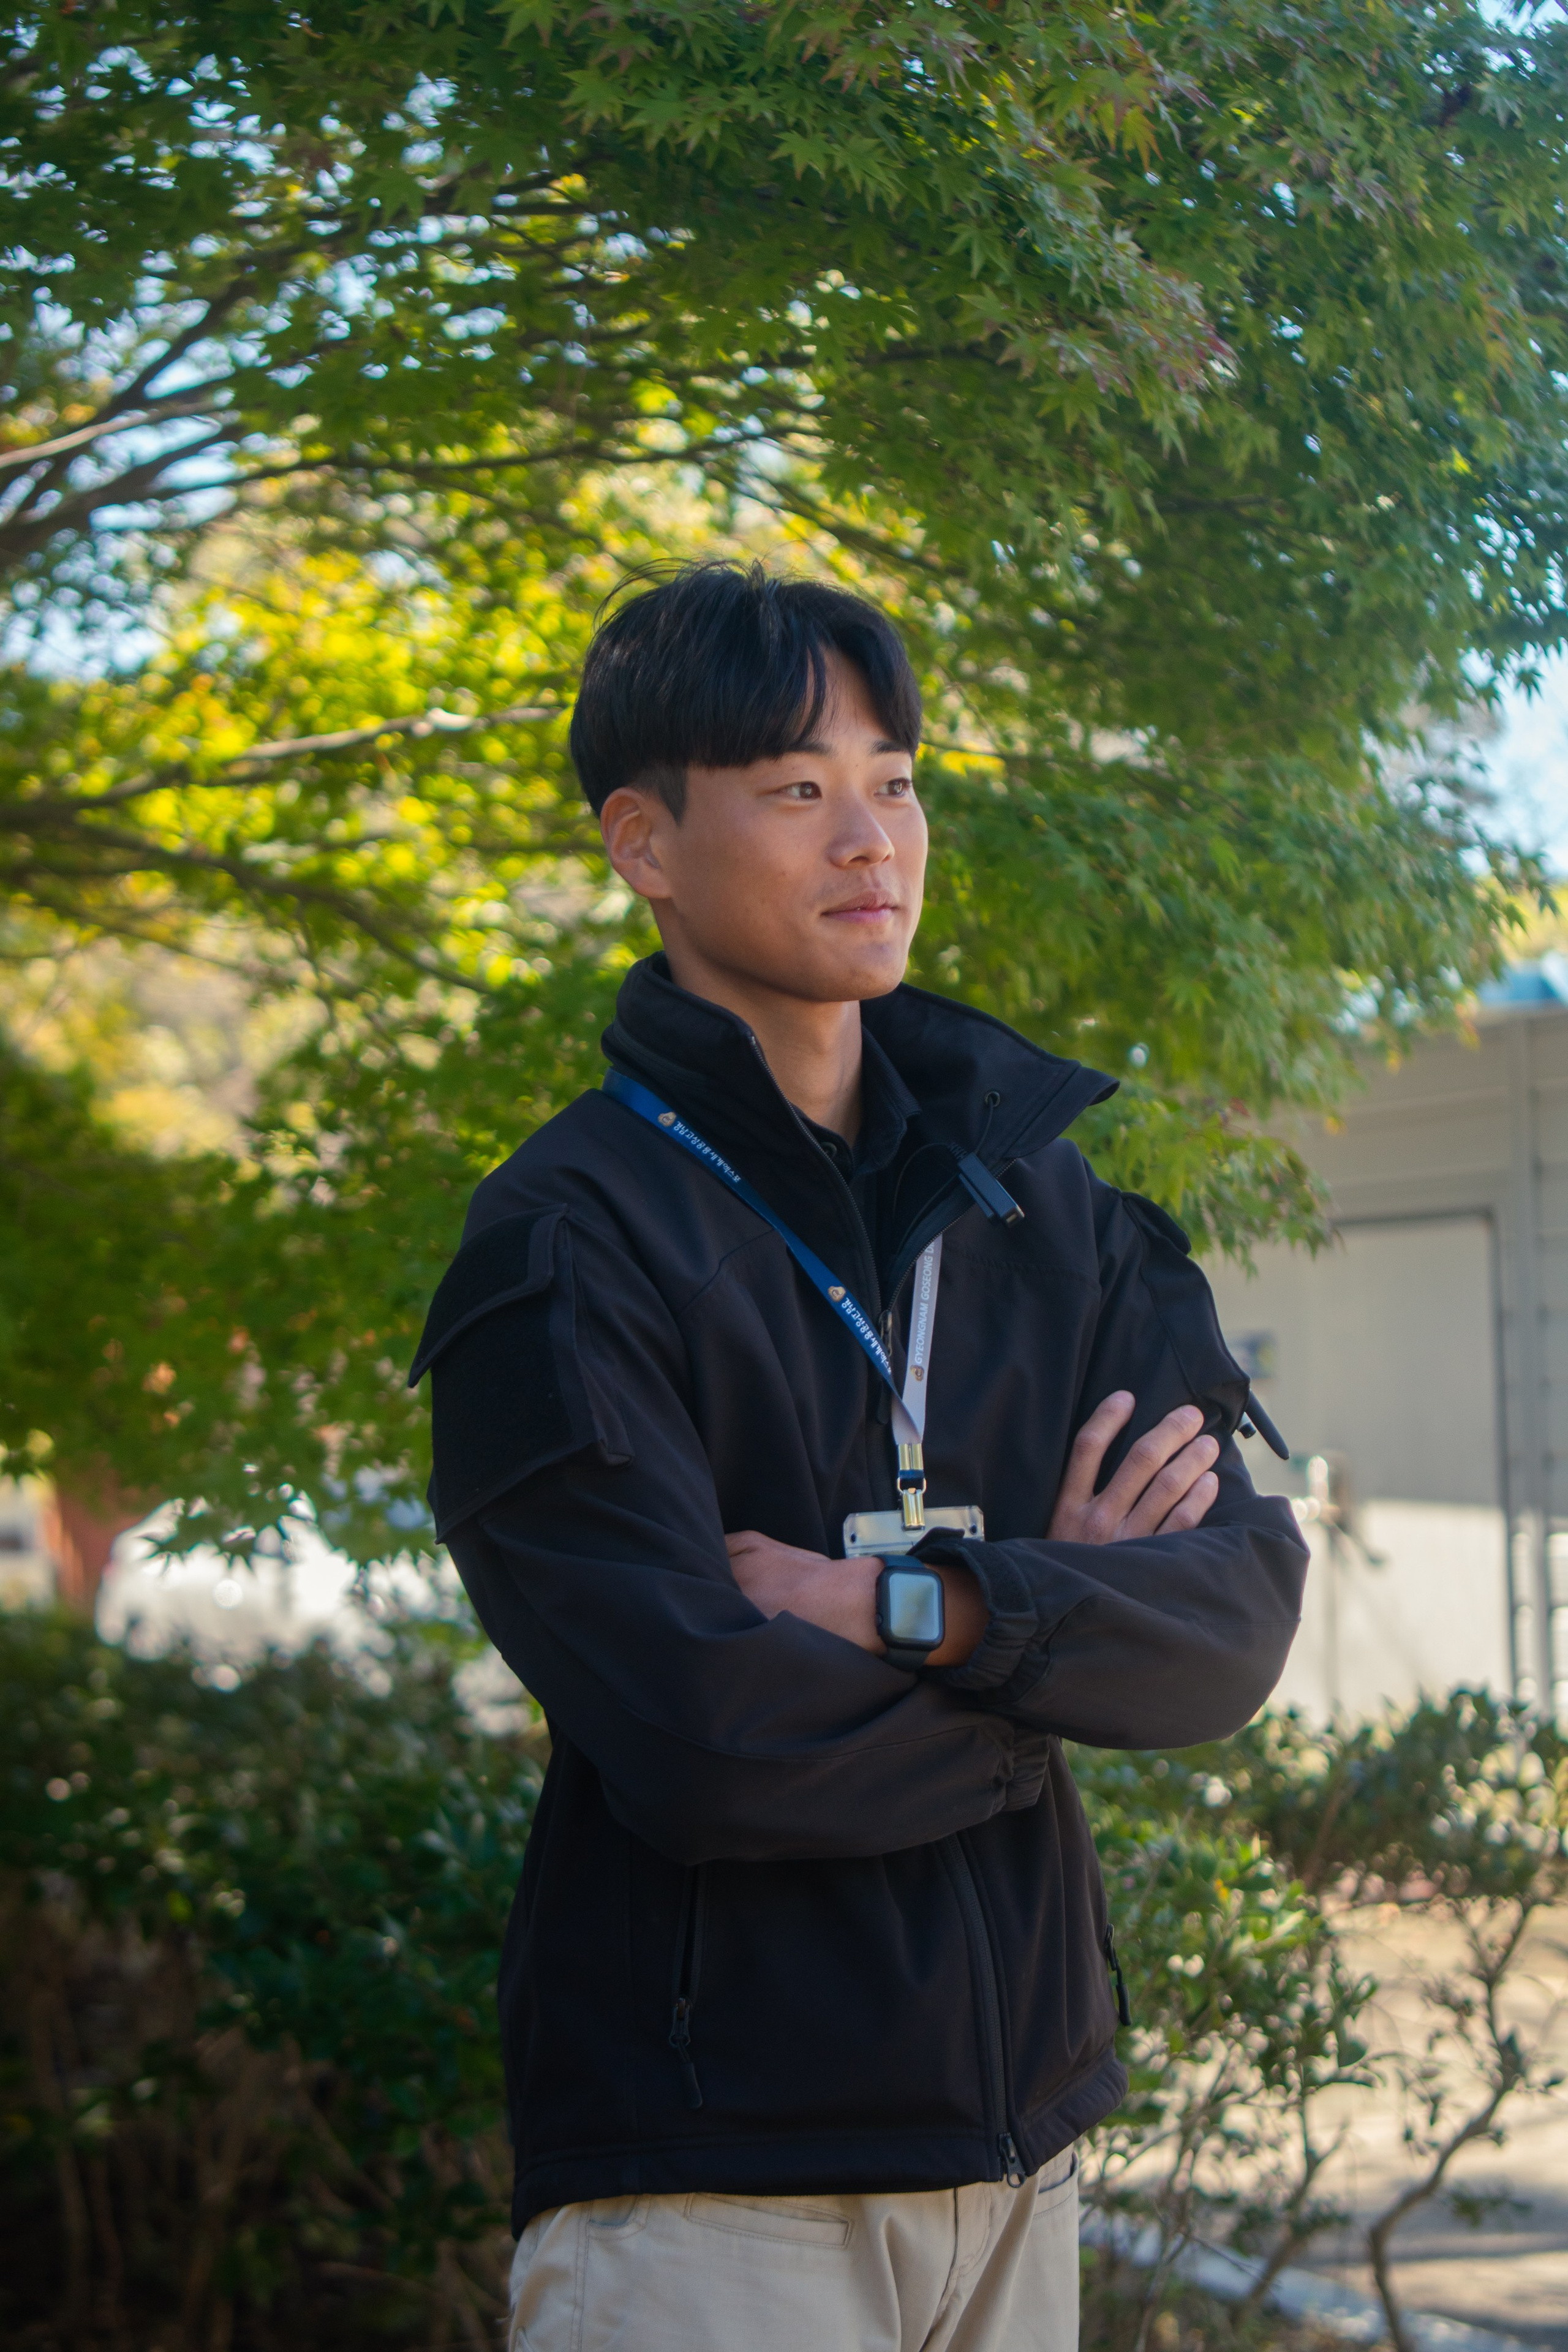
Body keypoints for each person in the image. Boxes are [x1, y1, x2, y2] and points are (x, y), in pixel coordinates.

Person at [410, 562, 1309, 2352]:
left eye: (893, 780)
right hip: (711, 2188)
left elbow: (1232, 1620)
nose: (871, 837)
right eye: (797, 787)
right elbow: (704, 1743)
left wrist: (924, 1608)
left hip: (1024, 2164)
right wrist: (1049, 1652)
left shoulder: (1043, 1204)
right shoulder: (566, 1249)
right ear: (644, 844)